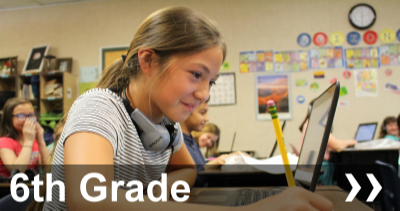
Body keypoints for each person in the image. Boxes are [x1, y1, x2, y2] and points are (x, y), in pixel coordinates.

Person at [43, 7, 332, 210]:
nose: (204, 93)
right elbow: (88, 199)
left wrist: (148, 193)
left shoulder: (165, 125)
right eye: (196, 74)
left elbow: (189, 172)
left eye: (211, 82)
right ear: (148, 61)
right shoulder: (98, 107)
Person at [298, 100, 357, 185]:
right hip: (320, 166)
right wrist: (352, 141)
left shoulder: (309, 122)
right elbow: (336, 145)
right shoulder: (317, 122)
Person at [0, 98, 50, 178]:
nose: (27, 120)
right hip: (9, 187)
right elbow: (17, 172)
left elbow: (49, 170)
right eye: (21, 115)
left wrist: (41, 142)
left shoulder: (34, 141)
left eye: (31, 115)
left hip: (30, 186)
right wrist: (28, 141)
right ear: (9, 118)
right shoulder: (4, 142)